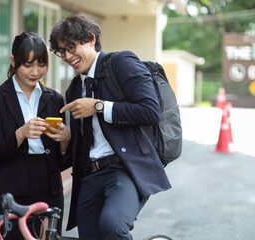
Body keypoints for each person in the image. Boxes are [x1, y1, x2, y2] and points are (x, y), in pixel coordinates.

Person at [49, 14, 172, 240]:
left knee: (112, 226)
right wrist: (67, 141)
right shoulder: (74, 89)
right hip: (89, 176)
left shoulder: (121, 62)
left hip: (124, 169)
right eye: (62, 51)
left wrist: (98, 106)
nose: (67, 56)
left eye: (71, 47)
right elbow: (83, 145)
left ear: (91, 39)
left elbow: (150, 111)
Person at [0, 31, 71, 239]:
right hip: (11, 188)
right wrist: (20, 134)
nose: (35, 72)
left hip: (49, 189)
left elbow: (61, 161)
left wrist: (66, 141)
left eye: (41, 64)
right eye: (28, 65)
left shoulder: (55, 99)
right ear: (13, 61)